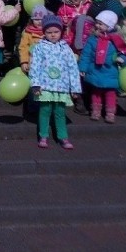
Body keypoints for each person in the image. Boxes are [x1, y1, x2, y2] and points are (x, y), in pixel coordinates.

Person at [28, 14, 82, 150]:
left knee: (60, 112)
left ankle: (63, 137)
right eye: (49, 32)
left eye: (56, 32)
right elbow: (35, 66)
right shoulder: (40, 47)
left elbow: (73, 68)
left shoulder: (65, 48)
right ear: (44, 32)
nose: (53, 35)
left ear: (61, 32)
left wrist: (75, 88)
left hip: (61, 87)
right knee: (45, 111)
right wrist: (35, 83)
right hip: (45, 86)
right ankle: (43, 135)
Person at [79, 10, 126, 123]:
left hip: (110, 71)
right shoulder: (92, 38)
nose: (97, 25)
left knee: (110, 93)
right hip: (95, 69)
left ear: (109, 26)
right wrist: (82, 68)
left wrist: (122, 60)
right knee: (96, 92)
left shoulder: (116, 40)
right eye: (97, 23)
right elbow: (86, 54)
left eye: (101, 23)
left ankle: (110, 112)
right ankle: (96, 110)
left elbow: (124, 52)